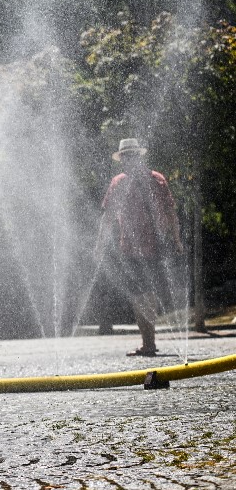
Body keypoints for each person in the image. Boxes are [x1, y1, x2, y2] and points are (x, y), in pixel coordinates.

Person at [97, 138, 184, 357]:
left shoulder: (157, 180)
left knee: (147, 295)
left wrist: (176, 239)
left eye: (131, 156)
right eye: (125, 156)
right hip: (129, 248)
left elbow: (170, 212)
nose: (128, 160)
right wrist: (100, 244)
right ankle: (148, 343)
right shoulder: (119, 182)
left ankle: (149, 342)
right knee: (139, 296)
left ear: (138, 157)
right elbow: (107, 217)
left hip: (153, 246)